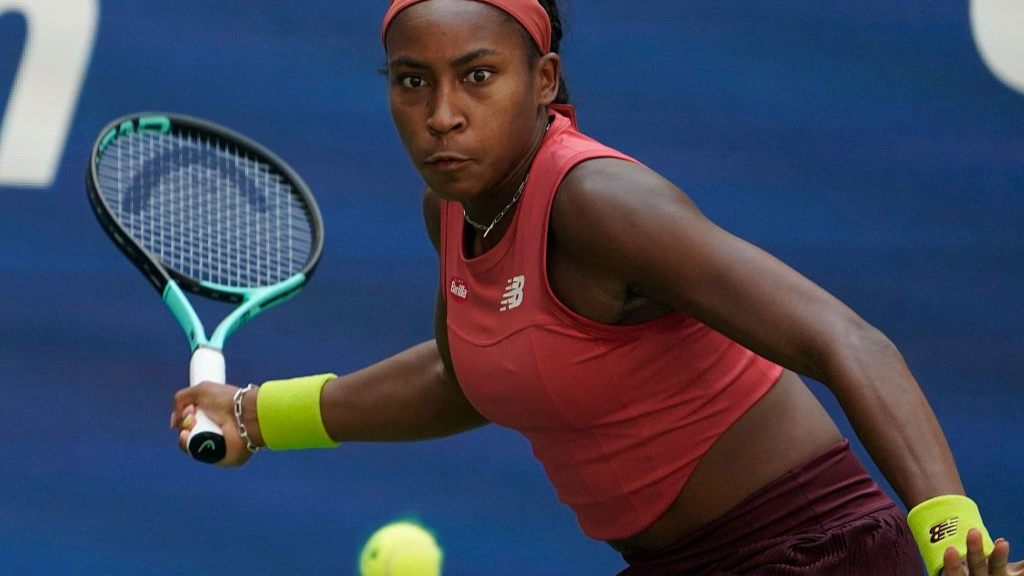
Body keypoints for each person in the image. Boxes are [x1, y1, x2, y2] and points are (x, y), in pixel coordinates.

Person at [171, 1, 1020, 574]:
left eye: (476, 76)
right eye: (411, 81)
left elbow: (845, 340)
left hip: (811, 552)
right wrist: (255, 415)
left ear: (541, 83)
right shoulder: (454, 209)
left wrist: (945, 529)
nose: (442, 114)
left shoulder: (600, 204)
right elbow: (467, 379)